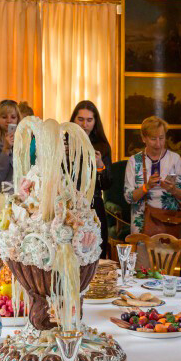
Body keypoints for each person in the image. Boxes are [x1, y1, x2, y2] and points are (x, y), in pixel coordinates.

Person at [123, 116, 181, 235]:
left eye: (161, 138)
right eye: (153, 139)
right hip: (142, 225)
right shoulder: (134, 161)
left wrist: (173, 189)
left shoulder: (174, 159)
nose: (158, 144)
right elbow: (129, 197)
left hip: (170, 223)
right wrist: (146, 187)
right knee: (142, 254)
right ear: (143, 138)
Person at [70, 101, 112, 259]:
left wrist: (100, 165)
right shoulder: (63, 141)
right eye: (80, 119)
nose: (84, 124)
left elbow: (107, 184)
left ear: (95, 122)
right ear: (73, 119)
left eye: (89, 120)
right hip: (68, 207)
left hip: (93, 205)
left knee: (95, 256)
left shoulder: (102, 146)